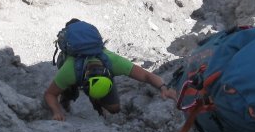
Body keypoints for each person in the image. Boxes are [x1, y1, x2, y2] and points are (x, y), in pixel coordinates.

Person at [43, 45, 177, 120]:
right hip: (75, 71)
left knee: (114, 108)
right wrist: (56, 111)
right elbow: (50, 94)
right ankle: (66, 99)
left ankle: (98, 103)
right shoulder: (69, 71)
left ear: (109, 76)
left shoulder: (114, 62)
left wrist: (163, 87)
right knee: (67, 94)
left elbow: (147, 75)